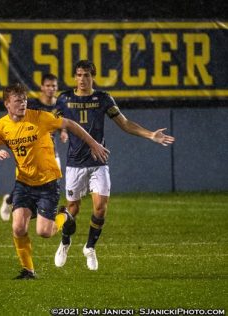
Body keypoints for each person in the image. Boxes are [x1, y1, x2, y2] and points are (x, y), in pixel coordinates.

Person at [54, 60, 175, 271]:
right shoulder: (64, 98)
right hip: (74, 164)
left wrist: (150, 135)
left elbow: (125, 123)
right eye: (79, 75)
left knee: (100, 208)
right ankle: (65, 241)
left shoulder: (103, 98)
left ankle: (89, 248)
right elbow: (53, 124)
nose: (83, 79)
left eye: (87, 75)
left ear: (93, 76)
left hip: (99, 161)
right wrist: (59, 133)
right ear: (75, 77)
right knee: (72, 209)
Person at [0, 82, 109, 279]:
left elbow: (70, 124)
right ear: (7, 104)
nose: (22, 104)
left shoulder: (40, 117)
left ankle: (65, 215)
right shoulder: (0, 127)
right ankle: (28, 270)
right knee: (18, 227)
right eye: (17, 101)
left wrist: (93, 144)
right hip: (24, 183)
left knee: (44, 232)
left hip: (47, 184)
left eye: (24, 100)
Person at [0, 74, 67, 221]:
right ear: (42, 87)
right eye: (48, 86)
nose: (51, 89)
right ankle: (10, 200)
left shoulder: (59, 105)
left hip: (50, 150)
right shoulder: (33, 105)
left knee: (53, 180)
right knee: (28, 180)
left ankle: (45, 210)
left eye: (54, 86)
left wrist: (64, 132)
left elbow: (61, 122)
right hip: (32, 149)